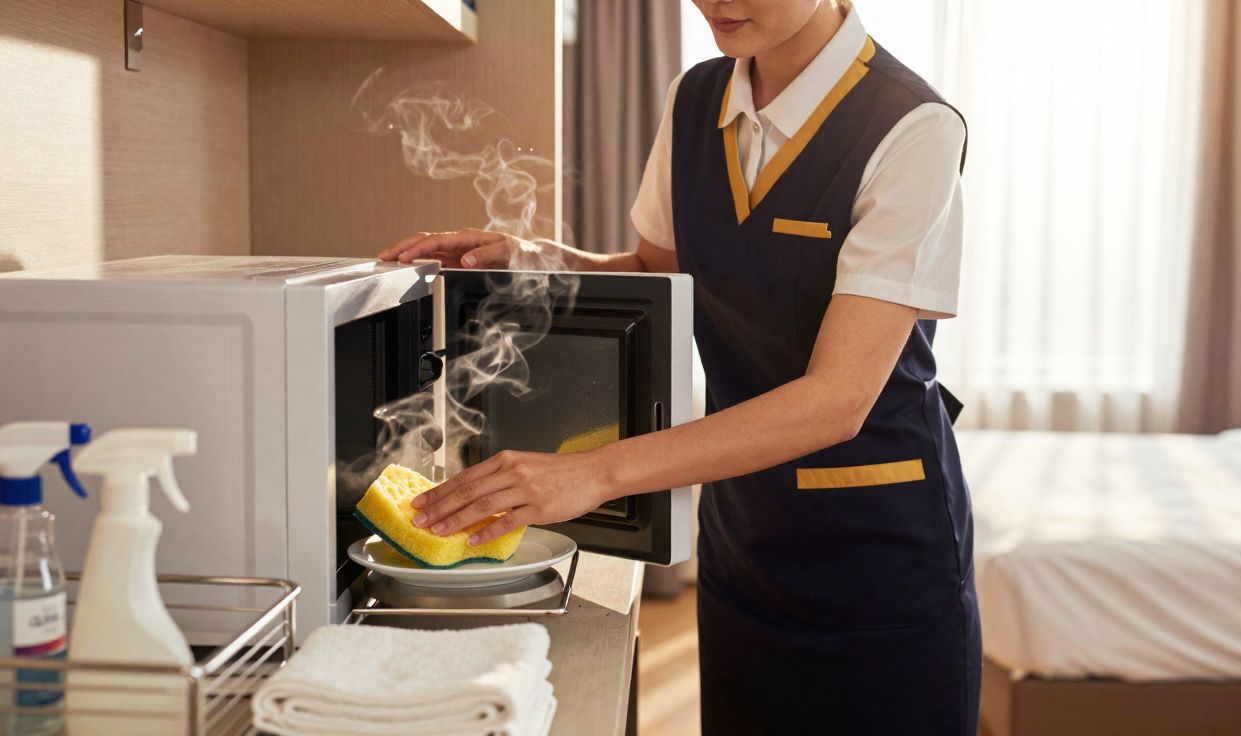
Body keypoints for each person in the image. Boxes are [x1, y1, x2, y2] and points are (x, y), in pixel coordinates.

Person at [378, 0, 979, 732]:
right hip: (744, 540)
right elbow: (656, 277)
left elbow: (836, 401)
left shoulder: (911, 126)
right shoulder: (697, 99)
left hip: (878, 557)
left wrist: (593, 472)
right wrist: (530, 256)